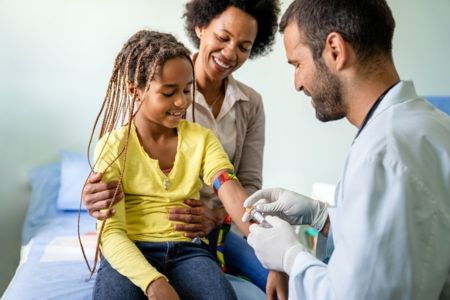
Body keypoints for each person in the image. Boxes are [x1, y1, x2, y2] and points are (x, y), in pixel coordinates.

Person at [242, 0, 450, 299]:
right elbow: (406, 241)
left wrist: (291, 258)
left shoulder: (383, 154)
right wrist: (322, 218)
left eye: (298, 64)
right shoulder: (431, 125)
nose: (297, 83)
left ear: (335, 50)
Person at [83, 0, 288, 298]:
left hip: (201, 238)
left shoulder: (211, 131)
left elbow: (234, 186)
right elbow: (112, 225)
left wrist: (274, 254)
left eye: (243, 46)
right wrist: (154, 283)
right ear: (201, 27)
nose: (181, 102)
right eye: (223, 37)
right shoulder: (122, 138)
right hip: (136, 240)